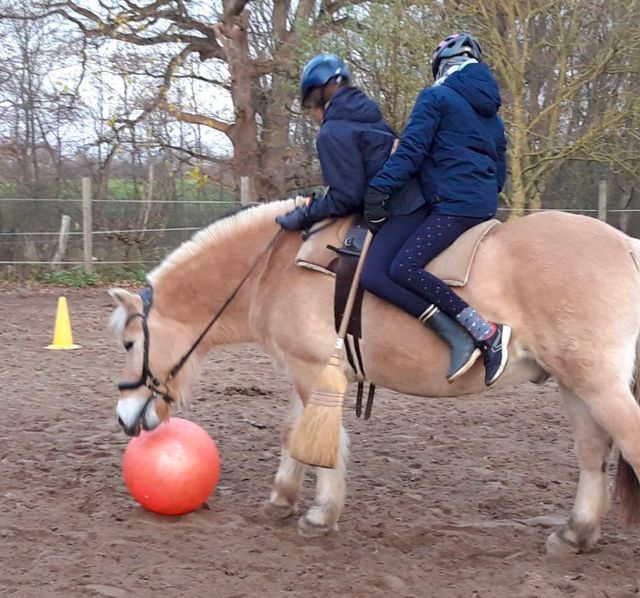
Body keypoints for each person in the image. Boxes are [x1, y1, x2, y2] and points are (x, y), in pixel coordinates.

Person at [276, 53, 480, 382]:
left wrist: (303, 216)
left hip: (405, 208)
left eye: (311, 105)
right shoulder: (370, 117)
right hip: (414, 197)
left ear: (319, 96)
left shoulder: (333, 132)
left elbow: (347, 195)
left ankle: (456, 333)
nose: (313, 114)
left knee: (376, 275)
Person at [363, 32, 510, 386]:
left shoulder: (436, 97)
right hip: (480, 204)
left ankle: (484, 332)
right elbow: (501, 169)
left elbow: (411, 152)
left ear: (442, 65)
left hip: (453, 206)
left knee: (404, 267)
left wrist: (378, 190)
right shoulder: (492, 116)